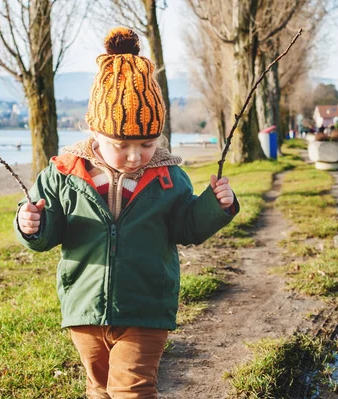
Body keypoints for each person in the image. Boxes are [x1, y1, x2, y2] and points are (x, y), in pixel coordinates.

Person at [14, 27, 239, 399]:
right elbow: (47, 229)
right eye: (122, 145)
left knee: (133, 389)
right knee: (99, 388)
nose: (136, 156)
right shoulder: (65, 173)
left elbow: (186, 226)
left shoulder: (168, 178)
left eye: (147, 144)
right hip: (84, 309)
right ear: (94, 132)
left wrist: (216, 204)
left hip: (145, 306)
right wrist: (31, 223)